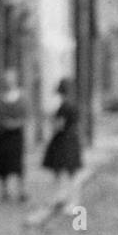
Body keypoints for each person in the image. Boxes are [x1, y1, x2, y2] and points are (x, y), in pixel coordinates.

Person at [40, 77, 82, 209]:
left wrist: (50, 121)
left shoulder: (64, 107)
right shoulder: (74, 105)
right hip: (71, 140)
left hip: (63, 142)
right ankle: (65, 198)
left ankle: (70, 200)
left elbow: (59, 125)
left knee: (65, 172)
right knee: (69, 173)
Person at [0, 68, 28, 203]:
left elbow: (24, 114)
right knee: (1, 162)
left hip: (16, 134)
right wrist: (4, 123)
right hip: (2, 134)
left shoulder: (21, 96)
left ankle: (21, 190)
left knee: (17, 162)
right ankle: (4, 190)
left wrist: (15, 123)